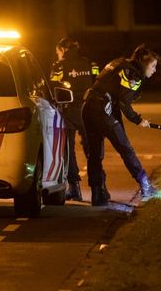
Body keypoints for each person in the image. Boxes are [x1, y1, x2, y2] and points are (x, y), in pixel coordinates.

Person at [82, 44, 160, 206]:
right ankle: (145, 186)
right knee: (126, 149)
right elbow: (124, 102)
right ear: (143, 63)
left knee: (95, 153)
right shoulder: (133, 75)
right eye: (153, 66)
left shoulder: (119, 62)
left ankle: (97, 193)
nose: (154, 70)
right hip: (103, 110)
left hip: (88, 107)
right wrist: (138, 119)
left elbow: (112, 93)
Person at [49, 38, 99, 201]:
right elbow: (97, 84)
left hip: (69, 112)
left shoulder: (59, 66)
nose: (57, 55)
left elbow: (53, 88)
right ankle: (99, 189)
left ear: (62, 50)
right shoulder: (91, 64)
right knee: (93, 151)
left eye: (58, 52)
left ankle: (75, 189)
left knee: (68, 151)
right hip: (89, 112)